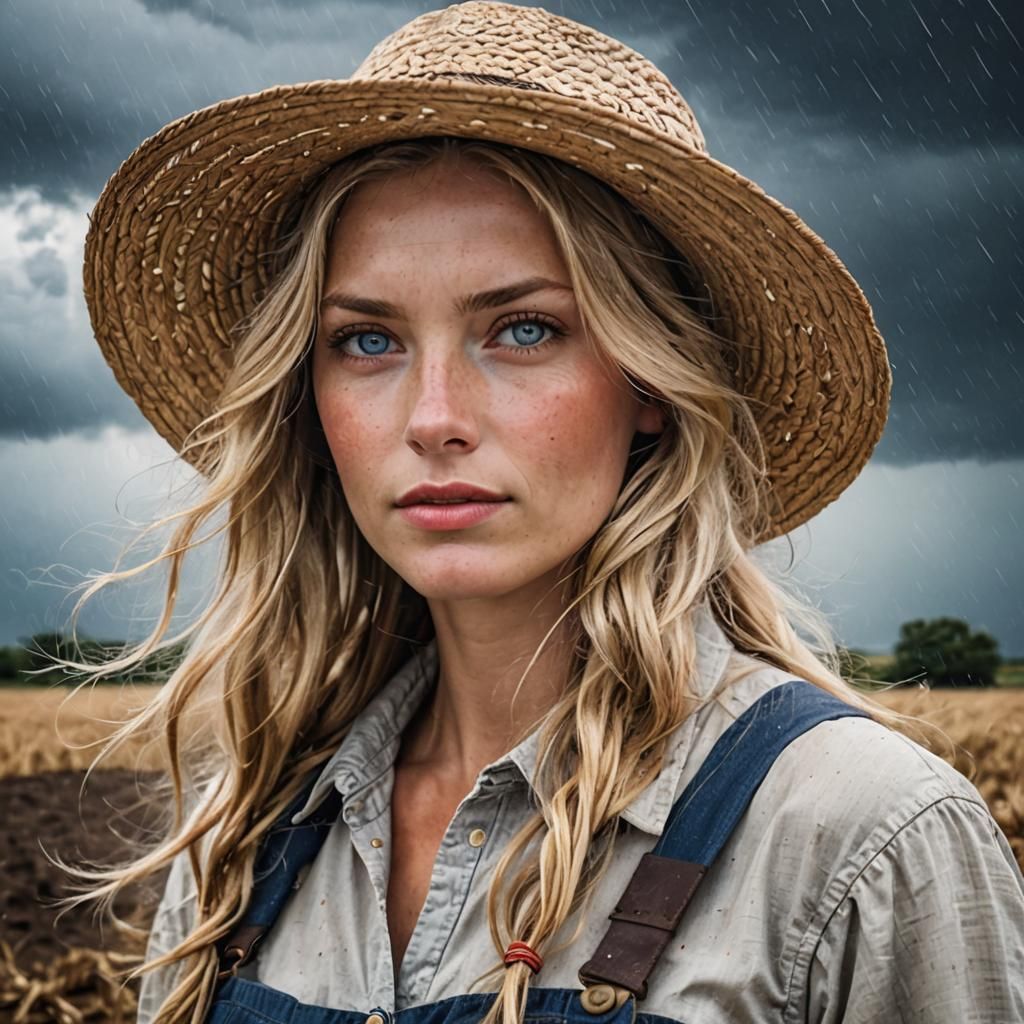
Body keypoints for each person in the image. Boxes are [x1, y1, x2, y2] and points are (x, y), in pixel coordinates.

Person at [58, 3, 1022, 1023]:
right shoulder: (239, 849)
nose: (433, 419)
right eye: (367, 341)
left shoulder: (862, 834)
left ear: (651, 383)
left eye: (523, 329)